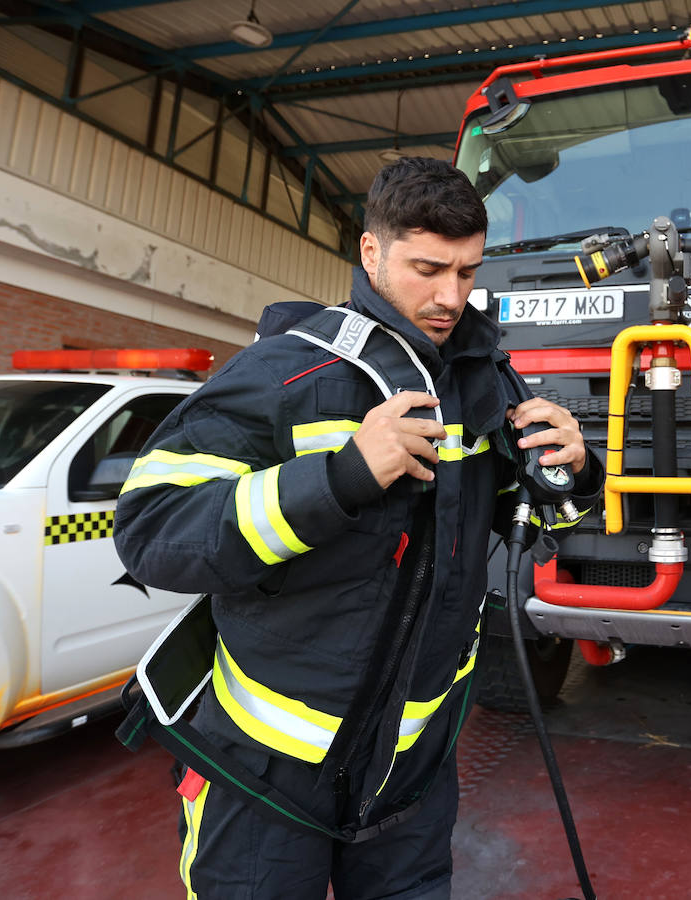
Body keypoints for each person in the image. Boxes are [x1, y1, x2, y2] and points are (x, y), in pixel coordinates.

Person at [115, 157, 603, 900]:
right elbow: (152, 530)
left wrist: (575, 472)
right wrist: (339, 478)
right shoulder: (284, 372)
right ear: (371, 253)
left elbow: (541, 521)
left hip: (413, 777)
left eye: (468, 273)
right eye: (428, 268)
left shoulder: (489, 380)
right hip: (264, 777)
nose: (450, 297)